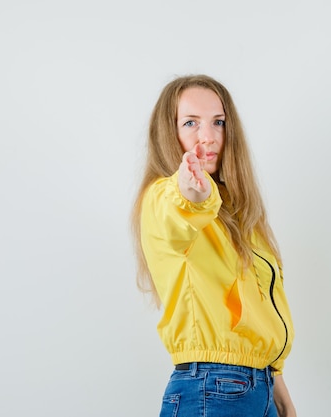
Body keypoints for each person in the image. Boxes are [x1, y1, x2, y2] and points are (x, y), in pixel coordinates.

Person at [131, 74, 297, 417]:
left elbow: (253, 324)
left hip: (256, 388)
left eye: (218, 122)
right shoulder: (163, 197)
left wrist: (282, 401)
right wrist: (191, 190)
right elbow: (178, 207)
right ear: (169, 133)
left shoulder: (241, 219)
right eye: (190, 122)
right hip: (213, 388)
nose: (208, 137)